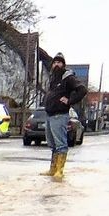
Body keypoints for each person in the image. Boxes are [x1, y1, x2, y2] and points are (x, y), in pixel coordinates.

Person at [38, 52, 87, 180]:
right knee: (52, 144)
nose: (56, 64)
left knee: (60, 144)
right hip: (49, 114)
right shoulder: (53, 78)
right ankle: (52, 169)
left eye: (59, 62)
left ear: (63, 64)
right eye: (55, 62)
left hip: (59, 115)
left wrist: (70, 100)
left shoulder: (68, 77)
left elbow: (82, 90)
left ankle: (59, 170)